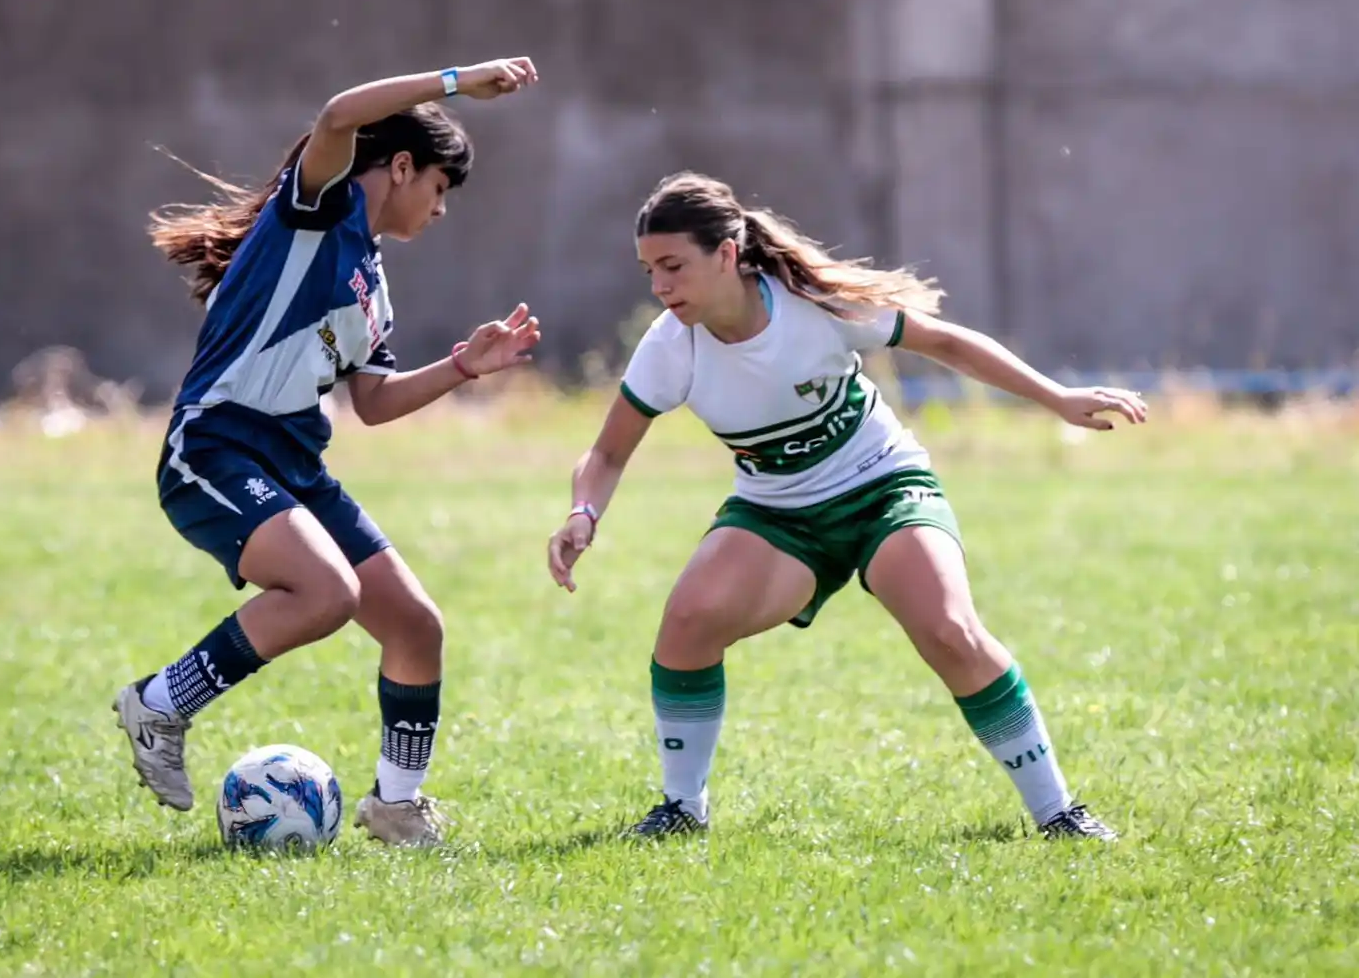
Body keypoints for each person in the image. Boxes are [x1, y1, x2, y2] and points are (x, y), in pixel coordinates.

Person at [547, 171, 1145, 842]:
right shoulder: (670, 345)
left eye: (673, 265)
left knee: (949, 630)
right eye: (649, 270)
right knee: (686, 623)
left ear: (727, 253)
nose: (659, 286)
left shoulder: (811, 306)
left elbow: (946, 342)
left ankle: (1058, 813)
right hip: (778, 516)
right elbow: (607, 454)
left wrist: (1057, 398)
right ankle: (683, 810)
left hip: (883, 487)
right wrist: (582, 514)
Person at [113, 58, 542, 849]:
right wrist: (460, 81)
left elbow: (373, 403)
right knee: (326, 592)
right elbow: (340, 112)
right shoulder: (319, 209)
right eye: (439, 187)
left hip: (297, 468)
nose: (441, 208)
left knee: (415, 625)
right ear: (401, 166)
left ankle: (397, 806)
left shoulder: (371, 280)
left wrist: (463, 366)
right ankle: (160, 704)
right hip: (217, 447)